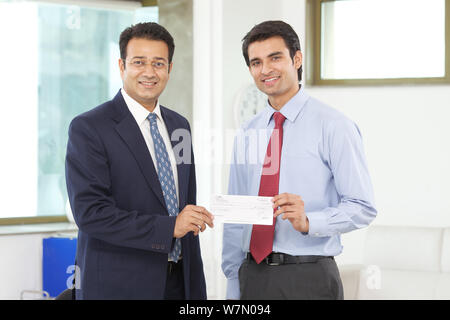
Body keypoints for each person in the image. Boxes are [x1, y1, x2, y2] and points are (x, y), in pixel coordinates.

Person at [221, 20, 377, 300]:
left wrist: (310, 221)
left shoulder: (334, 126)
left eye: (275, 57)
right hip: (252, 277)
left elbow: (362, 206)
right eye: (256, 62)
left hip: (309, 278)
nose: (265, 69)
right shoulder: (247, 132)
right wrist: (234, 280)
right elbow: (237, 214)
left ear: (297, 58)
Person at [65, 22, 214, 300]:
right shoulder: (89, 127)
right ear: (122, 66)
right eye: (139, 62)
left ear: (169, 69)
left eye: (158, 63)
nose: (149, 72)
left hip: (180, 283)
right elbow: (91, 213)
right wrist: (171, 227)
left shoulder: (179, 125)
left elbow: (185, 205)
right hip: (120, 286)